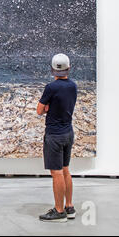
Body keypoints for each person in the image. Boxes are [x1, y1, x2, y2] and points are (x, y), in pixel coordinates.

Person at [37, 53, 77, 223]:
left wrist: (47, 107)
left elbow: (39, 110)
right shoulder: (73, 86)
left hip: (54, 135)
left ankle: (59, 211)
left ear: (52, 69)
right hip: (68, 132)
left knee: (57, 173)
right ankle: (69, 206)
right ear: (68, 68)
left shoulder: (51, 88)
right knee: (66, 170)